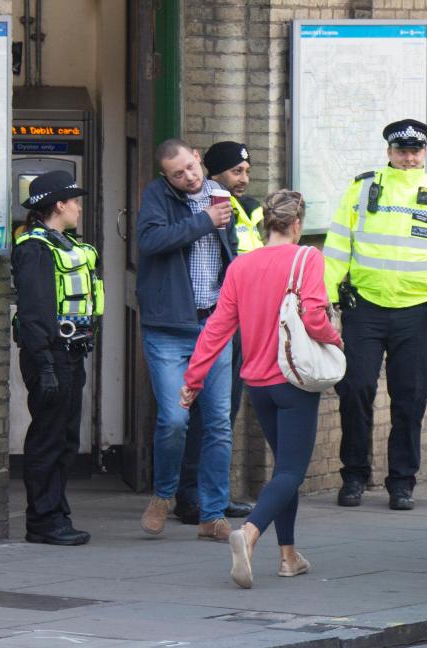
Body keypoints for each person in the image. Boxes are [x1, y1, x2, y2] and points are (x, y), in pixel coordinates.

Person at [181, 190, 342, 589]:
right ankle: (249, 535)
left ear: (267, 222)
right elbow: (316, 315)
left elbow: (218, 328)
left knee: (283, 469)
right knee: (290, 470)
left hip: (258, 384)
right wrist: (334, 341)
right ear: (297, 224)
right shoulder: (308, 258)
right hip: (293, 381)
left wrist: (193, 379)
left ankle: (289, 557)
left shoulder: (241, 266)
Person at [323, 119, 427, 511]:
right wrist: (323, 296)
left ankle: (402, 482)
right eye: (401, 151)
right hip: (364, 308)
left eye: (415, 151)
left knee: (410, 397)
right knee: (355, 388)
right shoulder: (363, 188)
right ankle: (354, 475)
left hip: (414, 313)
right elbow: (338, 245)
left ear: (424, 153)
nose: (408, 158)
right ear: (389, 151)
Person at [136, 138, 238, 542]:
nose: (188, 177)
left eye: (190, 168)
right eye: (177, 174)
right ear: (166, 176)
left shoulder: (221, 195)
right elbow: (150, 242)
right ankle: (163, 495)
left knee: (218, 424)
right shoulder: (156, 197)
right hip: (168, 329)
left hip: (214, 326)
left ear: (198, 158)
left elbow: (234, 250)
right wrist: (204, 221)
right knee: (174, 419)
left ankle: (212, 515)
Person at [170, 141, 262, 526]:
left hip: (243, 322)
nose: (244, 179)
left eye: (246, 171)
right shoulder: (205, 206)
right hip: (213, 321)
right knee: (200, 414)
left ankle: (215, 497)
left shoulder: (249, 208)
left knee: (224, 414)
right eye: (237, 172)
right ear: (215, 172)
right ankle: (189, 496)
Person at [11, 170, 103, 546]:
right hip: (50, 357)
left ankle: (56, 512)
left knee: (65, 438)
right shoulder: (34, 249)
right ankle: (43, 520)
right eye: (75, 202)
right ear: (59, 205)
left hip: (70, 353)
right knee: (48, 438)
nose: (79, 208)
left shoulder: (63, 244)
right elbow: (34, 314)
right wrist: (45, 365)